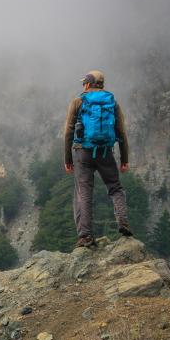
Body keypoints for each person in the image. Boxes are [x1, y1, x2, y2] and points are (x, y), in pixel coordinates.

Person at [63, 69, 132, 249]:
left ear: (87, 84)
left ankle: (85, 237)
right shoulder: (112, 103)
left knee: (83, 193)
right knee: (115, 187)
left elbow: (68, 132)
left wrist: (67, 158)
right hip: (105, 152)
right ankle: (123, 223)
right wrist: (124, 159)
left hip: (82, 153)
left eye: (83, 82)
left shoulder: (78, 102)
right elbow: (122, 133)